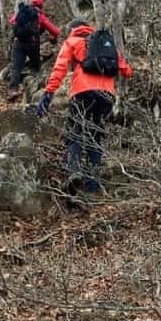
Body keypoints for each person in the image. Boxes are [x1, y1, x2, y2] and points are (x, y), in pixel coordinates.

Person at [36, 19, 133, 195]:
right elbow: (127, 70)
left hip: (82, 93)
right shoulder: (104, 44)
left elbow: (59, 69)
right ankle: (92, 184)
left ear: (73, 29)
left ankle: (74, 173)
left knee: (75, 134)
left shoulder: (72, 42)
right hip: (106, 96)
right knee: (95, 138)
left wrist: (48, 94)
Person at [7, 0, 60, 102]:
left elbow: (11, 21)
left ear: (31, 3)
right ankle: (33, 80)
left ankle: (13, 90)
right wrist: (52, 37)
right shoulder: (40, 16)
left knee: (16, 67)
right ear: (41, 6)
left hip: (18, 42)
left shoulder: (23, 12)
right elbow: (55, 31)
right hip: (32, 44)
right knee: (36, 64)